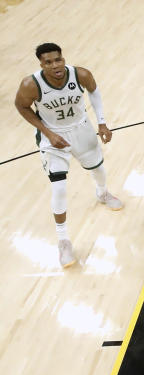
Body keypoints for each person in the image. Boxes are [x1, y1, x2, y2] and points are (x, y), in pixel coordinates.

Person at [14, 42, 123, 268]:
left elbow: (94, 91)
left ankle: (102, 194)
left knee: (98, 170)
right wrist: (47, 132)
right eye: (48, 62)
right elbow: (22, 107)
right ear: (41, 64)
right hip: (52, 137)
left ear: (63, 58)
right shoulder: (30, 84)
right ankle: (63, 242)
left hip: (81, 128)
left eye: (58, 59)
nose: (55, 65)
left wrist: (102, 123)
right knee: (59, 187)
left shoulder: (80, 74)